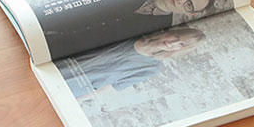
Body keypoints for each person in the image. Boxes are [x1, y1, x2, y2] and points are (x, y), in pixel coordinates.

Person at [40, 0, 215, 60]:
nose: (181, 0)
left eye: (189, 5)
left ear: (190, 14)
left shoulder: (162, 30)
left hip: (64, 48)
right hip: (50, 19)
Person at [57, 25, 205, 100]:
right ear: (172, 32)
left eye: (181, 45)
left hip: (76, 88)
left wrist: (77, 101)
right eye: (178, 37)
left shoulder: (152, 68)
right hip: (62, 65)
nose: (174, 43)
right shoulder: (134, 33)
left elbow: (110, 86)